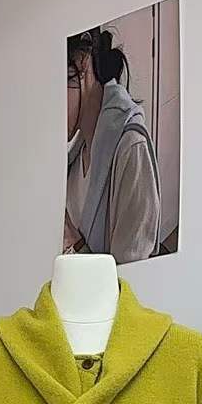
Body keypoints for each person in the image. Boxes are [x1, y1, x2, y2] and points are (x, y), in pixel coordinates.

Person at [65, 26, 161, 265]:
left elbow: (132, 279)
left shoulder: (131, 148)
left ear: (82, 61)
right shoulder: (78, 150)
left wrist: (74, 244)